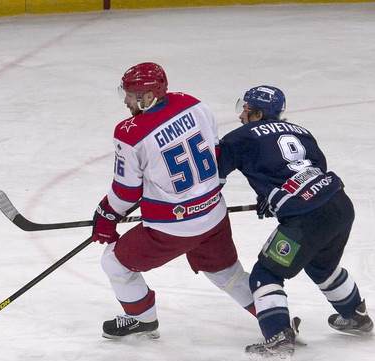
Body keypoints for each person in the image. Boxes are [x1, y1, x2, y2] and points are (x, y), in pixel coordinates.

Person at [92, 62, 255, 340]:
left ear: (149, 96)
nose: (127, 101)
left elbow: (127, 190)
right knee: (225, 271)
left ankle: (141, 319)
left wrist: (107, 216)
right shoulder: (193, 104)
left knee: (113, 261)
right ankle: (276, 317)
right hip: (214, 216)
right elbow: (216, 155)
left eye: (132, 95)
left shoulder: (130, 133)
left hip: (170, 229)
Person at [218, 85, 374, 361]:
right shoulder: (302, 131)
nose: (242, 114)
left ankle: (278, 339)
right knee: (321, 266)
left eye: (246, 108)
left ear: (259, 112)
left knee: (266, 274)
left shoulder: (239, 137)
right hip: (339, 205)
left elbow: (213, 175)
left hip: (306, 218)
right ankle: (355, 313)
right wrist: (273, 195)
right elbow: (309, 169)